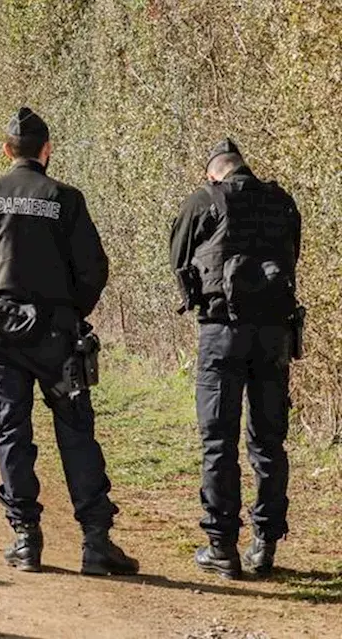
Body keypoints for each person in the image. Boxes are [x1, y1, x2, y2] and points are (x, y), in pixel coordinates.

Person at [0, 107, 138, 577]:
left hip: (0, 329)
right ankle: (96, 542)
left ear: (5, 151)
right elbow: (95, 269)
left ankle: (26, 539)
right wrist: (73, 310)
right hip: (56, 334)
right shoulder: (66, 199)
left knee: (11, 430)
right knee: (76, 432)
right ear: (47, 151)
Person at [172, 139, 302, 580]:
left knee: (218, 441)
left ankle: (221, 547)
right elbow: (292, 257)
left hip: (220, 332)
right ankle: (264, 546)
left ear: (213, 173)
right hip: (274, 335)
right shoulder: (281, 202)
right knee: (268, 441)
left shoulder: (205, 201)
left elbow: (178, 258)